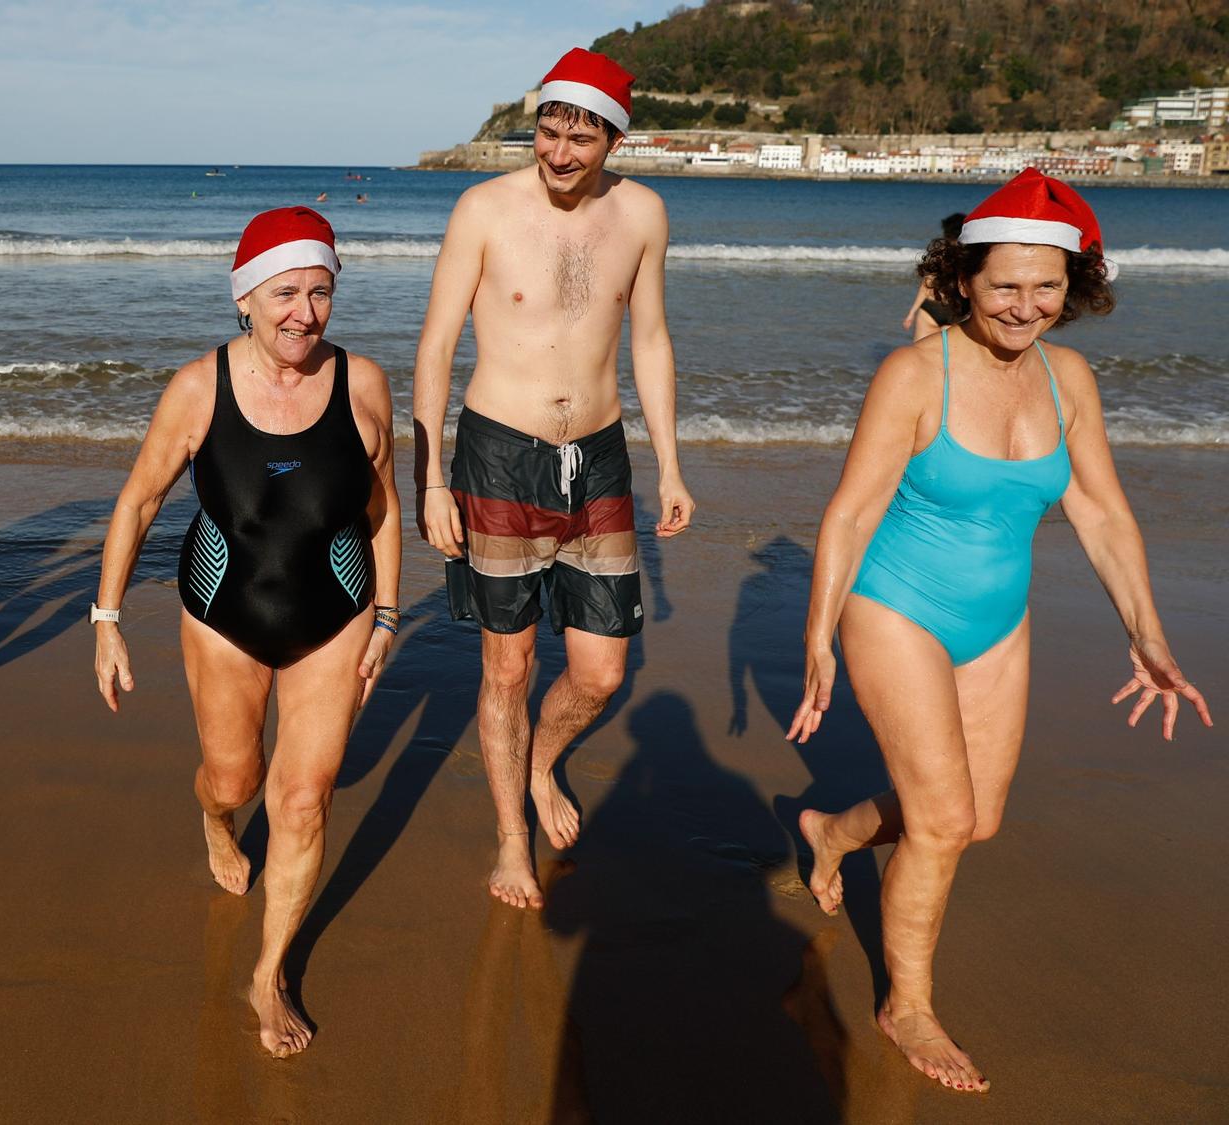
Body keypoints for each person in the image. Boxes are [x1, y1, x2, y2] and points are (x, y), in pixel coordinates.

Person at [787, 168, 1212, 1094]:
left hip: (996, 620)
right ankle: (909, 1004)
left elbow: (1100, 511)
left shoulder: (1070, 380)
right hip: (895, 604)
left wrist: (1149, 635)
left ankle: (833, 831)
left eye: (1047, 285)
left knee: (972, 820)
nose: (1026, 306)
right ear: (964, 279)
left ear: (1076, 284)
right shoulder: (914, 373)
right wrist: (819, 637)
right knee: (939, 819)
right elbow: (852, 514)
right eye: (1006, 285)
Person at [92, 207, 401, 1057]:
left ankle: (267, 973)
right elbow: (139, 501)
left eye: (320, 292)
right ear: (245, 299)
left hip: (334, 615)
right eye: (285, 293)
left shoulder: (365, 383)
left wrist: (386, 613)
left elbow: (382, 510)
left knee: (303, 798)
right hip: (224, 613)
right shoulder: (198, 388)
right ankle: (216, 822)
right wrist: (107, 617)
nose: (303, 312)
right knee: (234, 777)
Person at [412, 47, 693, 910]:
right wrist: (427, 479)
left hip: (600, 458)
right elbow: (435, 346)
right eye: (548, 130)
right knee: (509, 668)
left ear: (613, 138)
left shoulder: (643, 214)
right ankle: (509, 837)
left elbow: (648, 339)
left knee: (603, 671)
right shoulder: (483, 209)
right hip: (498, 453)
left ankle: (540, 763)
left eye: (581, 137)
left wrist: (671, 463)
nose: (560, 152)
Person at [901, 212, 966, 341]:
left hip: (932, 307)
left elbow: (927, 283)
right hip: (957, 309)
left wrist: (912, 313)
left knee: (920, 354)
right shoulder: (970, 256)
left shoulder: (941, 254)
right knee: (948, 358)